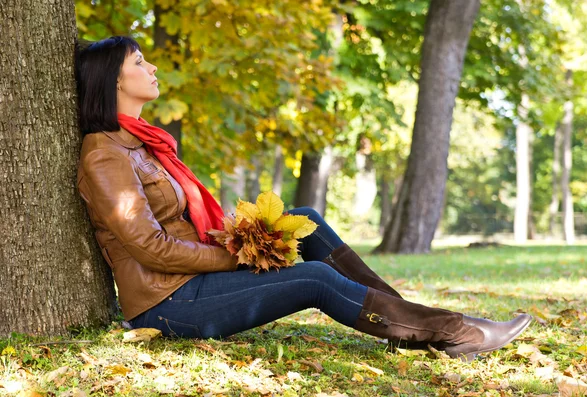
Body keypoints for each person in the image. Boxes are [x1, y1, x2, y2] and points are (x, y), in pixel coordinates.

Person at [75, 36, 531, 362]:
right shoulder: (105, 155)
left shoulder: (145, 143)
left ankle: (409, 324)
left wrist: (240, 236)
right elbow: (151, 247)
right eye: (139, 62)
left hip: (193, 279)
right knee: (313, 278)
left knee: (304, 219)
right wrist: (235, 256)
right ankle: (451, 332)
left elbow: (183, 220)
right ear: (113, 80)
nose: (151, 68)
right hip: (170, 303)